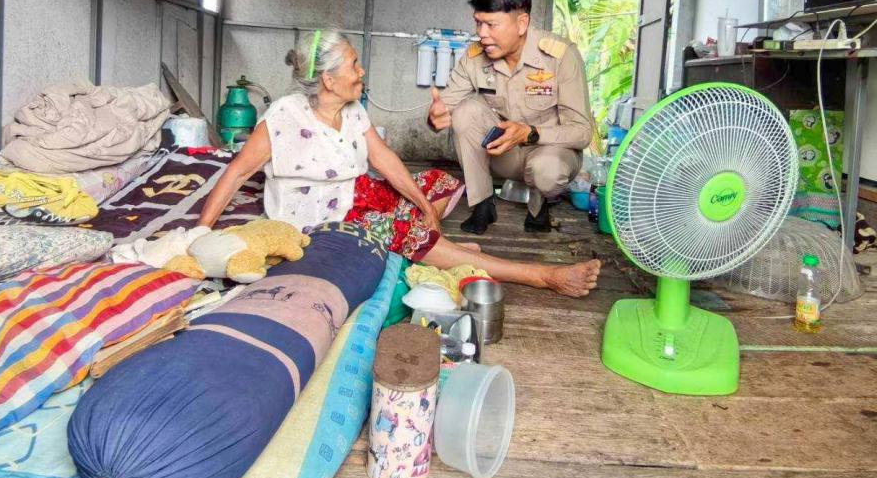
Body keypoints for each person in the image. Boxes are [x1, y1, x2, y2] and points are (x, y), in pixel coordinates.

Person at [196, 29, 600, 297]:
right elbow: (237, 172)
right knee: (407, 229)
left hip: (360, 192)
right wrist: (200, 231)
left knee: (438, 182)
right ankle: (539, 275)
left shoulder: (352, 109)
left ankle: (436, 246)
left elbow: (384, 158)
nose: (361, 71)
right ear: (328, 80)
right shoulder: (284, 117)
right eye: (354, 64)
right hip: (327, 217)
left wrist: (425, 206)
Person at [428, 0, 592, 234]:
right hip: (502, 153)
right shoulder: (475, 57)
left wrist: (529, 133)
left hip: (548, 153)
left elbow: (582, 133)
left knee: (547, 171)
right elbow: (445, 107)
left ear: (522, 23)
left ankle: (539, 206)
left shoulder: (561, 56)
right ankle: (482, 204)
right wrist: (435, 117)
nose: (481, 33)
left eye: (491, 25)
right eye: (478, 23)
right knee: (465, 112)